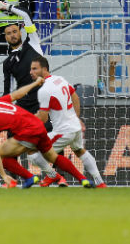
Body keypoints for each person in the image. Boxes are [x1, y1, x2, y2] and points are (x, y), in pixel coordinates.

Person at [0, 87, 92, 188]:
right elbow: (17, 94)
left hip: (27, 131)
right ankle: (83, 179)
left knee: (0, 153)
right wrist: (35, 83)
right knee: (52, 156)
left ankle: (30, 177)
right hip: (38, 125)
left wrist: (4, 175)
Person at [30, 56, 107, 187]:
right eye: (30, 69)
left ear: (44, 69)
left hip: (63, 131)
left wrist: (25, 120)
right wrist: (76, 117)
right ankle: (100, 182)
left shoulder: (44, 90)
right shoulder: (60, 79)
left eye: (34, 69)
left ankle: (53, 176)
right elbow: (75, 96)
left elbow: (43, 118)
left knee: (33, 154)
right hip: (74, 127)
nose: (31, 72)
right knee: (79, 151)